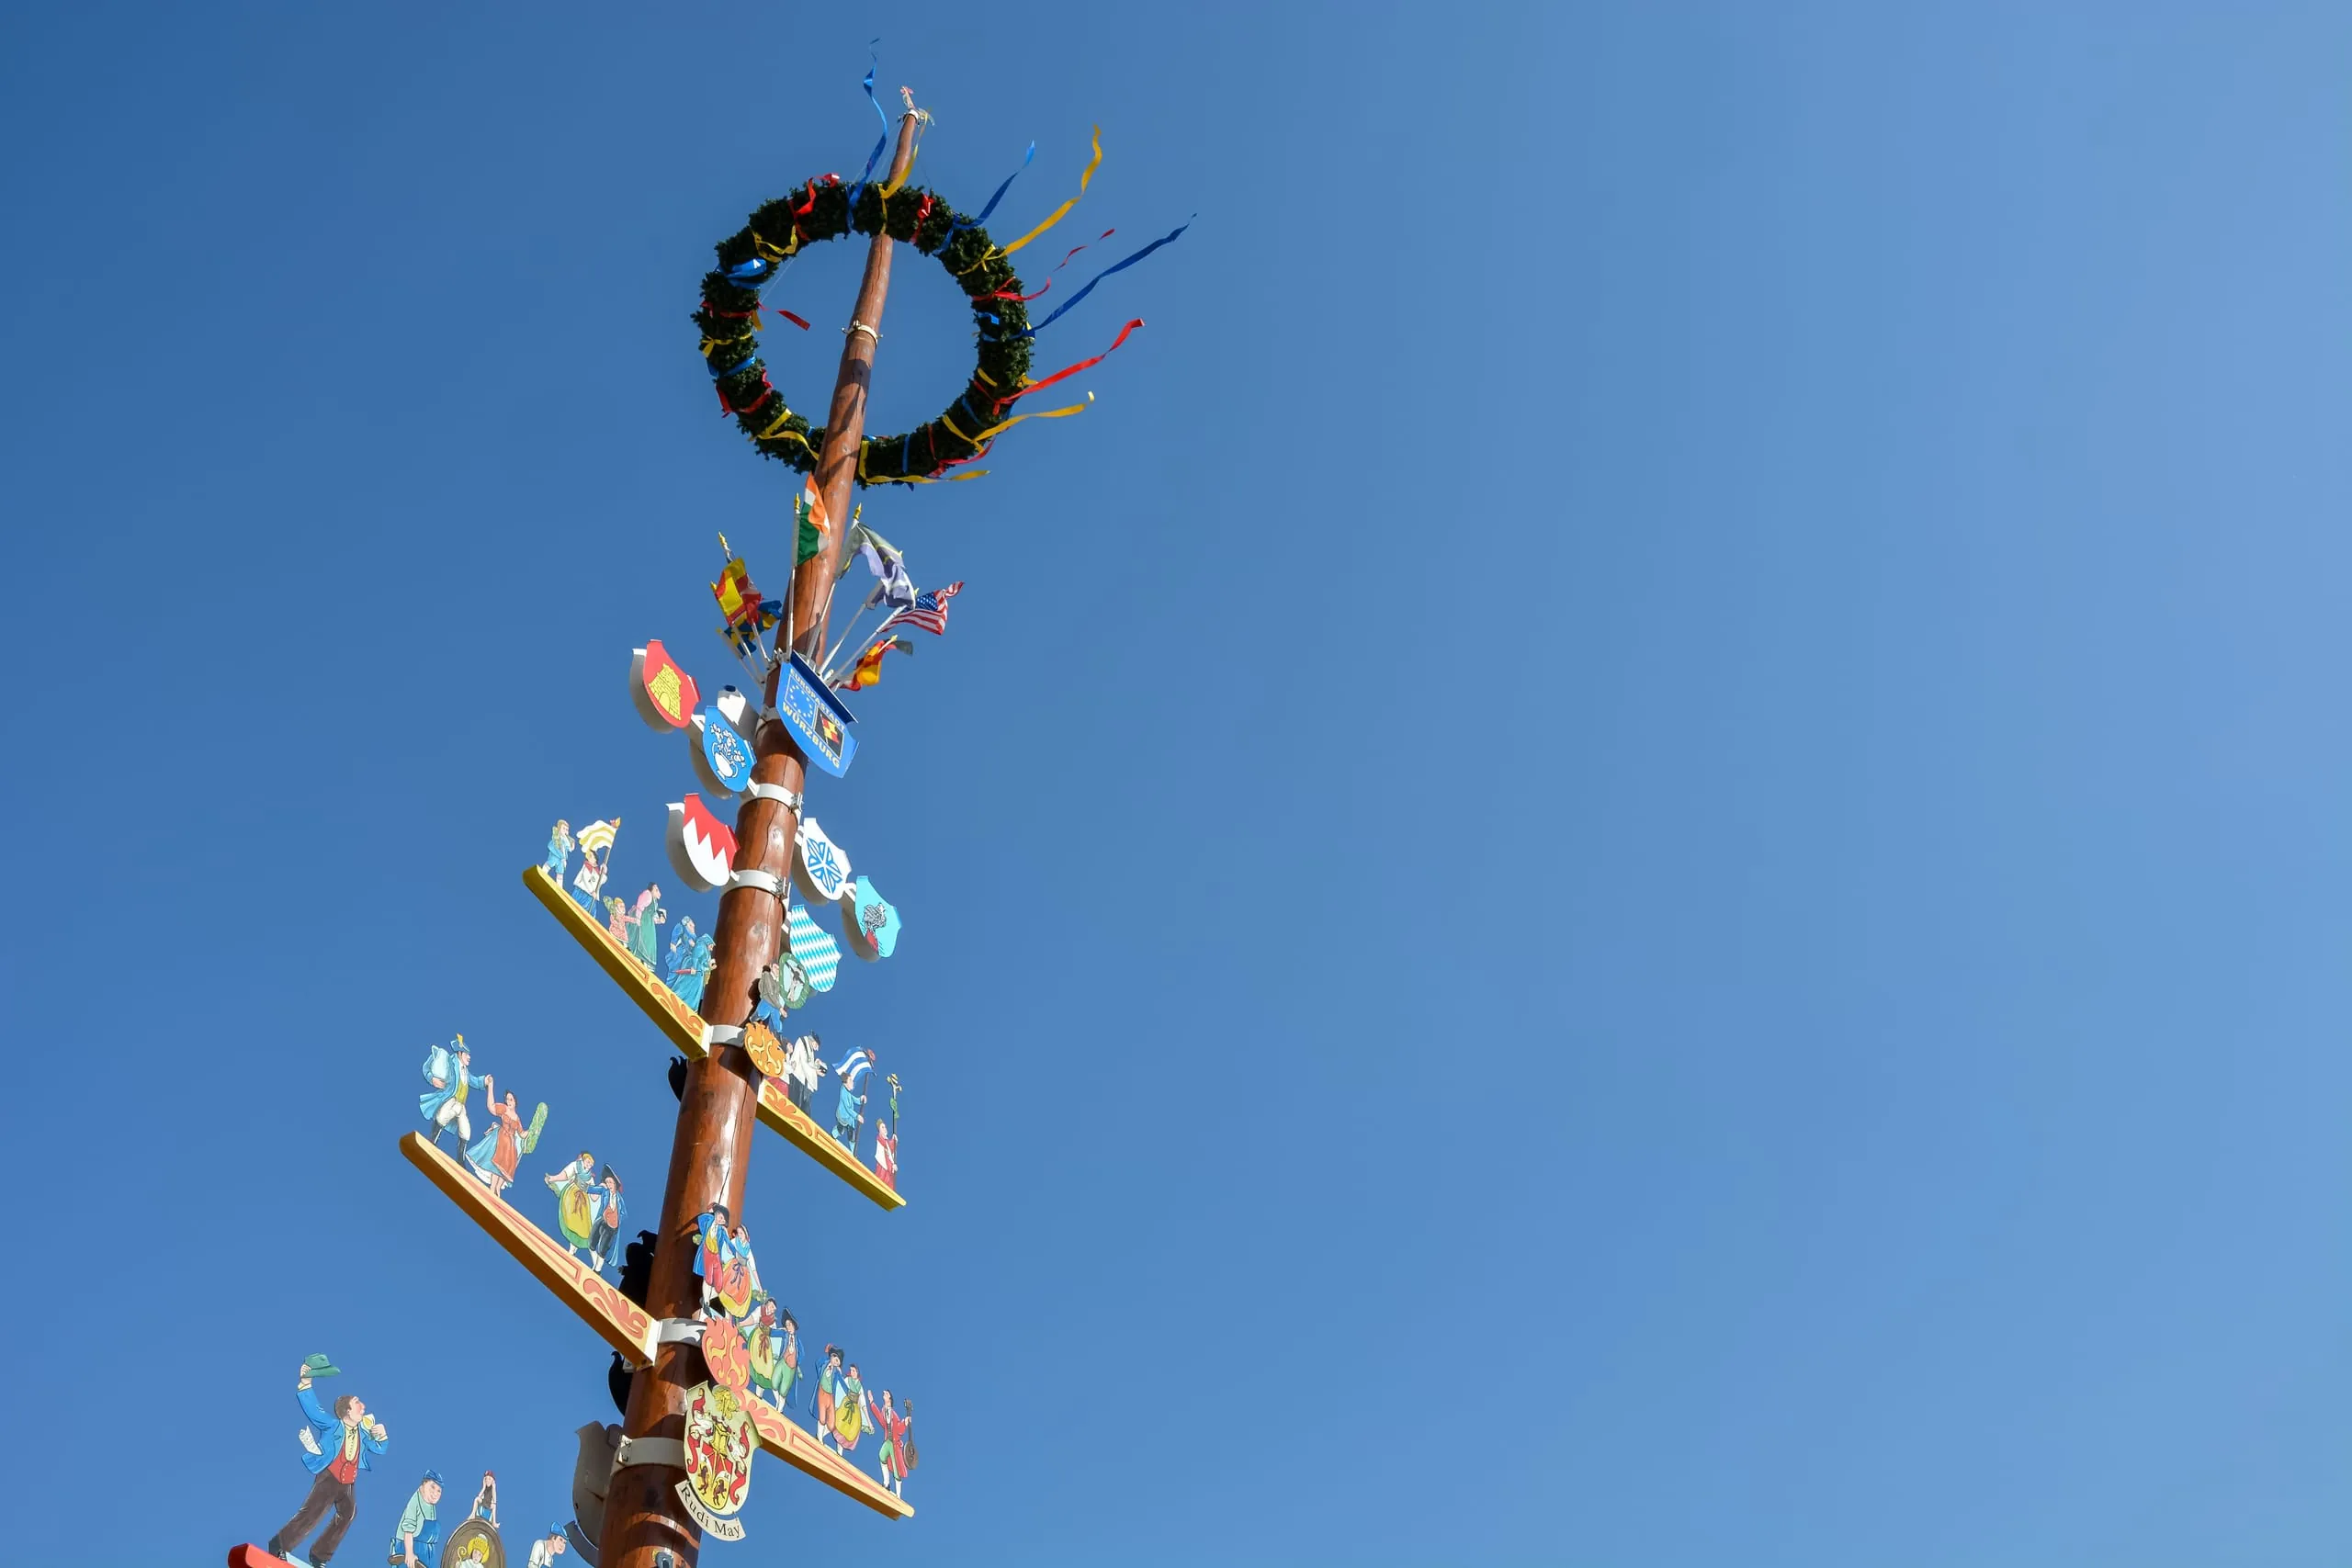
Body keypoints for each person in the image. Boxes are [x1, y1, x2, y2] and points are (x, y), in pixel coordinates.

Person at [268, 1358, 389, 1567]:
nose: (363, 1406)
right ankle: (278, 1545)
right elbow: (315, 1411)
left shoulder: (363, 1433)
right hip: (330, 1478)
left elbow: (380, 1449)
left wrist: (383, 1436)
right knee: (312, 1514)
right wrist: (306, 1383)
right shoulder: (334, 1426)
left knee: (348, 1514)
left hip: (348, 1483)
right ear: (347, 1411)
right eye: (357, 1403)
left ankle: (319, 1556)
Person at [419, 1038, 490, 1150]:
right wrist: (431, 1078)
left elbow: (474, 1081)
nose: (469, 1057)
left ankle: (460, 1161)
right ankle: (431, 1142)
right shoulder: (450, 1062)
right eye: (467, 1054)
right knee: (442, 1117)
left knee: (466, 1131)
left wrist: (484, 1081)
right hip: (450, 1099)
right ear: (460, 1053)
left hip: (460, 1105)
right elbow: (427, 1066)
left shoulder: (465, 1071)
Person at [465, 1092, 527, 1200]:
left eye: (511, 1099)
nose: (509, 1102)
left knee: (502, 1169)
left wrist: (532, 1131)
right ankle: (491, 1191)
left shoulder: (517, 1118)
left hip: (510, 1147)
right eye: (507, 1099)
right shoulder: (504, 1109)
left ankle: (496, 1192)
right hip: (501, 1140)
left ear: (515, 1101)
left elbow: (522, 1133)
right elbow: (491, 1107)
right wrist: (490, 1086)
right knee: (496, 1165)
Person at [746, 1300, 801, 1416]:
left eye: (790, 1325)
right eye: (786, 1325)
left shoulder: (798, 1342)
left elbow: (801, 1354)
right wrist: (762, 1326)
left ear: (795, 1327)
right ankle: (765, 1399)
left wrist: (797, 1365)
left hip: (790, 1368)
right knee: (774, 1382)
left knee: (783, 1390)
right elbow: (772, 1333)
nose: (788, 1327)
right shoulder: (784, 1334)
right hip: (782, 1362)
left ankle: (779, 1411)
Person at [544, 1150, 600, 1259]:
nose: (589, 1165)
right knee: (570, 1220)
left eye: (591, 1164)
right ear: (583, 1160)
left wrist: (602, 1191)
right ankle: (572, 1247)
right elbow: (565, 1175)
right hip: (571, 1196)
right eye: (588, 1162)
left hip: (583, 1202)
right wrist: (553, 1178)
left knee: (583, 1226)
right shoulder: (575, 1166)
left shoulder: (590, 1177)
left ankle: (574, 1248)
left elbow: (593, 1194)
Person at [386, 1471, 442, 1568]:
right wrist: (409, 1553)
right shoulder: (415, 1503)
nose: (435, 1493)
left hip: (428, 1553)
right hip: (410, 1549)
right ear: (424, 1484)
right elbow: (407, 1531)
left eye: (439, 1490)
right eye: (432, 1487)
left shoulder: (431, 1505)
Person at [587, 1166, 627, 1277]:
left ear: (615, 1185)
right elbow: (592, 1189)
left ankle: (597, 1270)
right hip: (602, 1219)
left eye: (611, 1183)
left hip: (611, 1227)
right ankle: (595, 1265)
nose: (609, 1185)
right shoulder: (605, 1191)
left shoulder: (619, 1200)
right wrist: (584, 1185)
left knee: (602, 1248)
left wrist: (617, 1221)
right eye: (607, 1182)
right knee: (591, 1242)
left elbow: (624, 1213)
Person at [871, 1393, 910, 1498]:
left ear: (889, 1398)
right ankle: (886, 1483)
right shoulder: (884, 1410)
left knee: (896, 1469)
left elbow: (899, 1429)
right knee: (882, 1456)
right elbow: (880, 1419)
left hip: (894, 1444)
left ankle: (898, 1495)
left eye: (886, 1394)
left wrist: (905, 1422)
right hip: (887, 1441)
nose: (883, 1395)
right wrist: (872, 1403)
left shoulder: (894, 1414)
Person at [814, 1346, 846, 1452]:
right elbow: (817, 1362)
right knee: (822, 1419)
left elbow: (842, 1384)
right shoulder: (824, 1364)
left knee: (832, 1425)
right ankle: (819, 1438)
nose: (836, 1362)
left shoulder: (836, 1372)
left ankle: (820, 1435)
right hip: (822, 1393)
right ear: (831, 1357)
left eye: (838, 1361)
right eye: (835, 1359)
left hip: (831, 1397)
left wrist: (850, 1394)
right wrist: (826, 1353)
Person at [628, 885, 665, 971]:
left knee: (649, 942)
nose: (658, 892)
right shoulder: (648, 894)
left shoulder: (655, 902)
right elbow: (640, 905)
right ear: (651, 890)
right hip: (643, 919)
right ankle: (636, 954)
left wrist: (660, 920)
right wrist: (638, 918)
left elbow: (653, 917)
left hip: (649, 924)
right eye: (656, 889)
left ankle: (644, 961)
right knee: (641, 937)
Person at [871, 1117, 898, 1190]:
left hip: (888, 1169)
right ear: (879, 1130)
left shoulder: (886, 1141)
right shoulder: (881, 1140)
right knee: (883, 1178)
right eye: (882, 1127)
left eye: (885, 1127)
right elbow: (885, 1156)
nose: (885, 1129)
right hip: (884, 1168)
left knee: (889, 1180)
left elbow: (890, 1148)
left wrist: (894, 1141)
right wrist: (892, 1166)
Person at [542, 821, 572, 885]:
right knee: (550, 864)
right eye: (563, 828)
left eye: (566, 829)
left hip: (562, 859)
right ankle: (542, 874)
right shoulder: (556, 838)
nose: (565, 831)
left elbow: (569, 848)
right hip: (556, 855)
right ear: (559, 828)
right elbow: (551, 845)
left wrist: (569, 842)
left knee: (560, 872)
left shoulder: (565, 840)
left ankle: (559, 886)